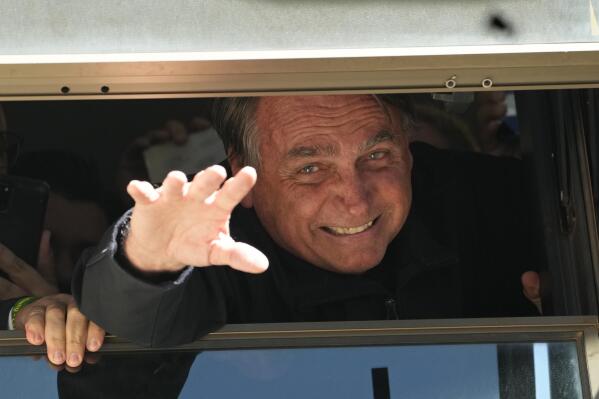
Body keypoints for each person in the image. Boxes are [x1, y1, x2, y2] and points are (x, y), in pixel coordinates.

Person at [68, 94, 540, 349]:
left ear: (409, 151)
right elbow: (133, 325)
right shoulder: (212, 239)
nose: (355, 203)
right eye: (310, 169)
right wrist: (146, 262)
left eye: (377, 155)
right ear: (244, 177)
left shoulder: (496, 197)